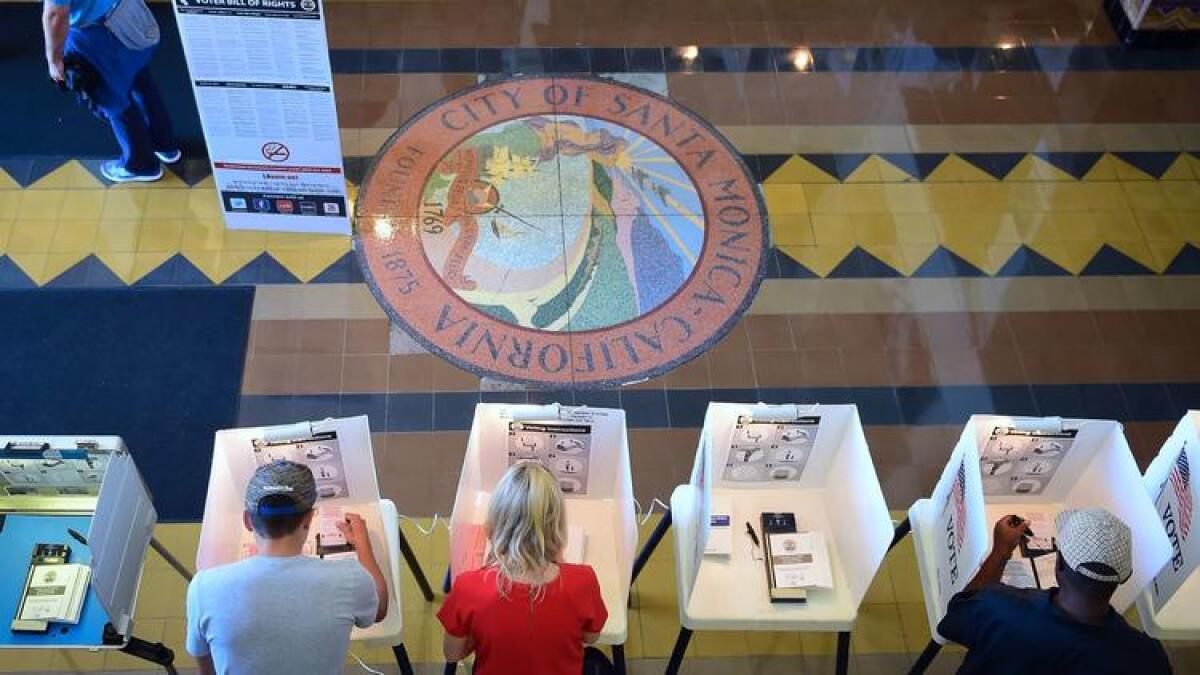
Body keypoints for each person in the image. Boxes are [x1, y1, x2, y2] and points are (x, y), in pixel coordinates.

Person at [186, 461, 388, 675]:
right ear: (308, 520)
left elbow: (203, 660)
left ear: (248, 520)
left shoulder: (204, 587)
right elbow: (379, 609)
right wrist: (363, 544)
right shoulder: (350, 579)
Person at [938, 508, 1172, 675]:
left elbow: (956, 616)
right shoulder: (1148, 658)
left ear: (1059, 565)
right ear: (1125, 576)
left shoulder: (999, 608)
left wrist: (1000, 551)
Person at [438, 461, 611, 675]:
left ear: (494, 526)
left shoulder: (468, 587)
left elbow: (452, 654)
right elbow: (590, 637)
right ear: (556, 528)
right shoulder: (584, 581)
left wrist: (484, 633)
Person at [42, 0, 179, 182]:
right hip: (128, 17)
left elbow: (56, 15)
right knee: (141, 80)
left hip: (96, 36)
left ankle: (141, 165)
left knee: (112, 99)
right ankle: (164, 144)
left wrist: (54, 59)